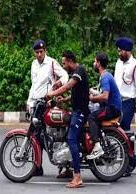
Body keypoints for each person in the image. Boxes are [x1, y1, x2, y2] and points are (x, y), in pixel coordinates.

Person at [46, 50, 89, 188]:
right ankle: (69, 170)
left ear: (70, 61)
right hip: (75, 111)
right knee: (65, 135)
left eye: (64, 63)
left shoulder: (79, 71)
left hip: (81, 112)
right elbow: (77, 93)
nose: (64, 66)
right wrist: (64, 100)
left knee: (71, 139)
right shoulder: (75, 73)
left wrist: (51, 93)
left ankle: (78, 177)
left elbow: (68, 86)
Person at [27, 39, 69, 176]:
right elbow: (33, 85)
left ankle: (63, 162)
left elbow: (65, 75)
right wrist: (29, 102)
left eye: (41, 51)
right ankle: (38, 166)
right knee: (36, 135)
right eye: (37, 52)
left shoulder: (51, 63)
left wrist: (58, 83)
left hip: (47, 103)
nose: (39, 54)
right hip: (36, 103)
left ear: (45, 51)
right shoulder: (34, 64)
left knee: (50, 134)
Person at [114, 37, 136, 176]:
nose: (118, 53)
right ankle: (132, 160)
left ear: (127, 51)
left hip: (128, 102)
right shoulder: (118, 63)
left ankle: (129, 163)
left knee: (124, 132)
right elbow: (115, 82)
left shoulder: (135, 66)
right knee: (118, 132)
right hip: (117, 101)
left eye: (120, 51)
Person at [87, 52, 122, 160]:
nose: (93, 63)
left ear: (98, 63)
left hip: (112, 109)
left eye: (94, 61)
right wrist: (93, 92)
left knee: (92, 117)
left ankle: (97, 146)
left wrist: (91, 98)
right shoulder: (106, 75)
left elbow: (105, 97)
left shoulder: (105, 77)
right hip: (112, 107)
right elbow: (103, 94)